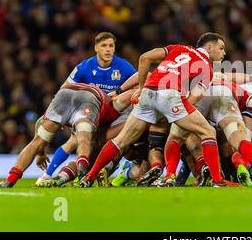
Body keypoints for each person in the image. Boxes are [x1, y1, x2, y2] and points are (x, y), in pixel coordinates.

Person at [80, 32, 240, 187]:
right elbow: (193, 99)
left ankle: (89, 176)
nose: (224, 53)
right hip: (170, 95)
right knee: (208, 132)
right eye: (221, 48)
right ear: (210, 47)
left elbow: (144, 58)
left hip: (149, 92)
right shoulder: (207, 68)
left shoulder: (178, 48)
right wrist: (175, 115)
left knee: (121, 140)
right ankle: (218, 181)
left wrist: (142, 89)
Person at [35, 32, 137, 186]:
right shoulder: (84, 67)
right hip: (91, 113)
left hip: (115, 115)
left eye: (111, 46)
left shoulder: (124, 66)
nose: (108, 49)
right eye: (104, 45)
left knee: (116, 142)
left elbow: (139, 84)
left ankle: (100, 172)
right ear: (96, 48)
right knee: (74, 141)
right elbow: (64, 90)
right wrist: (56, 113)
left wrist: (121, 93)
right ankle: (48, 175)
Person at [0, 82, 131, 188]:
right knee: (84, 134)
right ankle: (82, 163)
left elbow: (39, 122)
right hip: (90, 97)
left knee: (38, 141)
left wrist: (41, 152)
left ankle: (10, 179)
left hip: (64, 93)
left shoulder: (112, 102)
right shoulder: (113, 106)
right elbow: (130, 96)